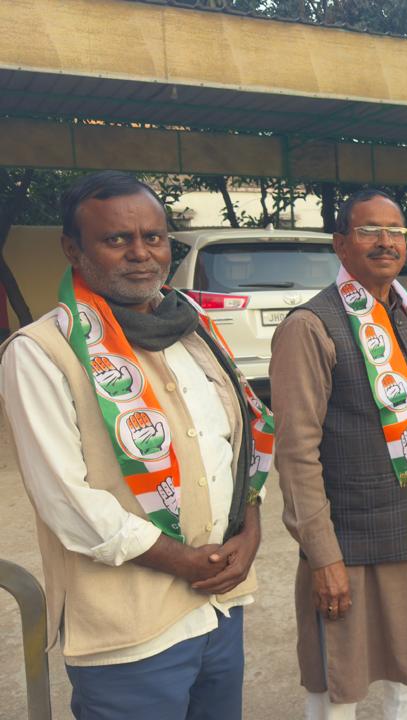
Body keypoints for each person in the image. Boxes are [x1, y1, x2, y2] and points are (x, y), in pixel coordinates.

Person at [0, 170, 273, 719]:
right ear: (72, 249)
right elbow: (69, 504)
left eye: (154, 237)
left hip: (219, 609)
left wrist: (252, 529)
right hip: (129, 634)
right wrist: (183, 561)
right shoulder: (41, 353)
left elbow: (233, 448)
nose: (141, 253)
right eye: (116, 239)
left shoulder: (193, 328)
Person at [270, 189, 407, 720]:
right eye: (369, 231)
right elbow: (296, 452)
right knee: (340, 684)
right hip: (349, 542)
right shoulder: (311, 326)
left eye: (397, 232)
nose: (386, 242)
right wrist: (322, 554)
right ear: (340, 244)